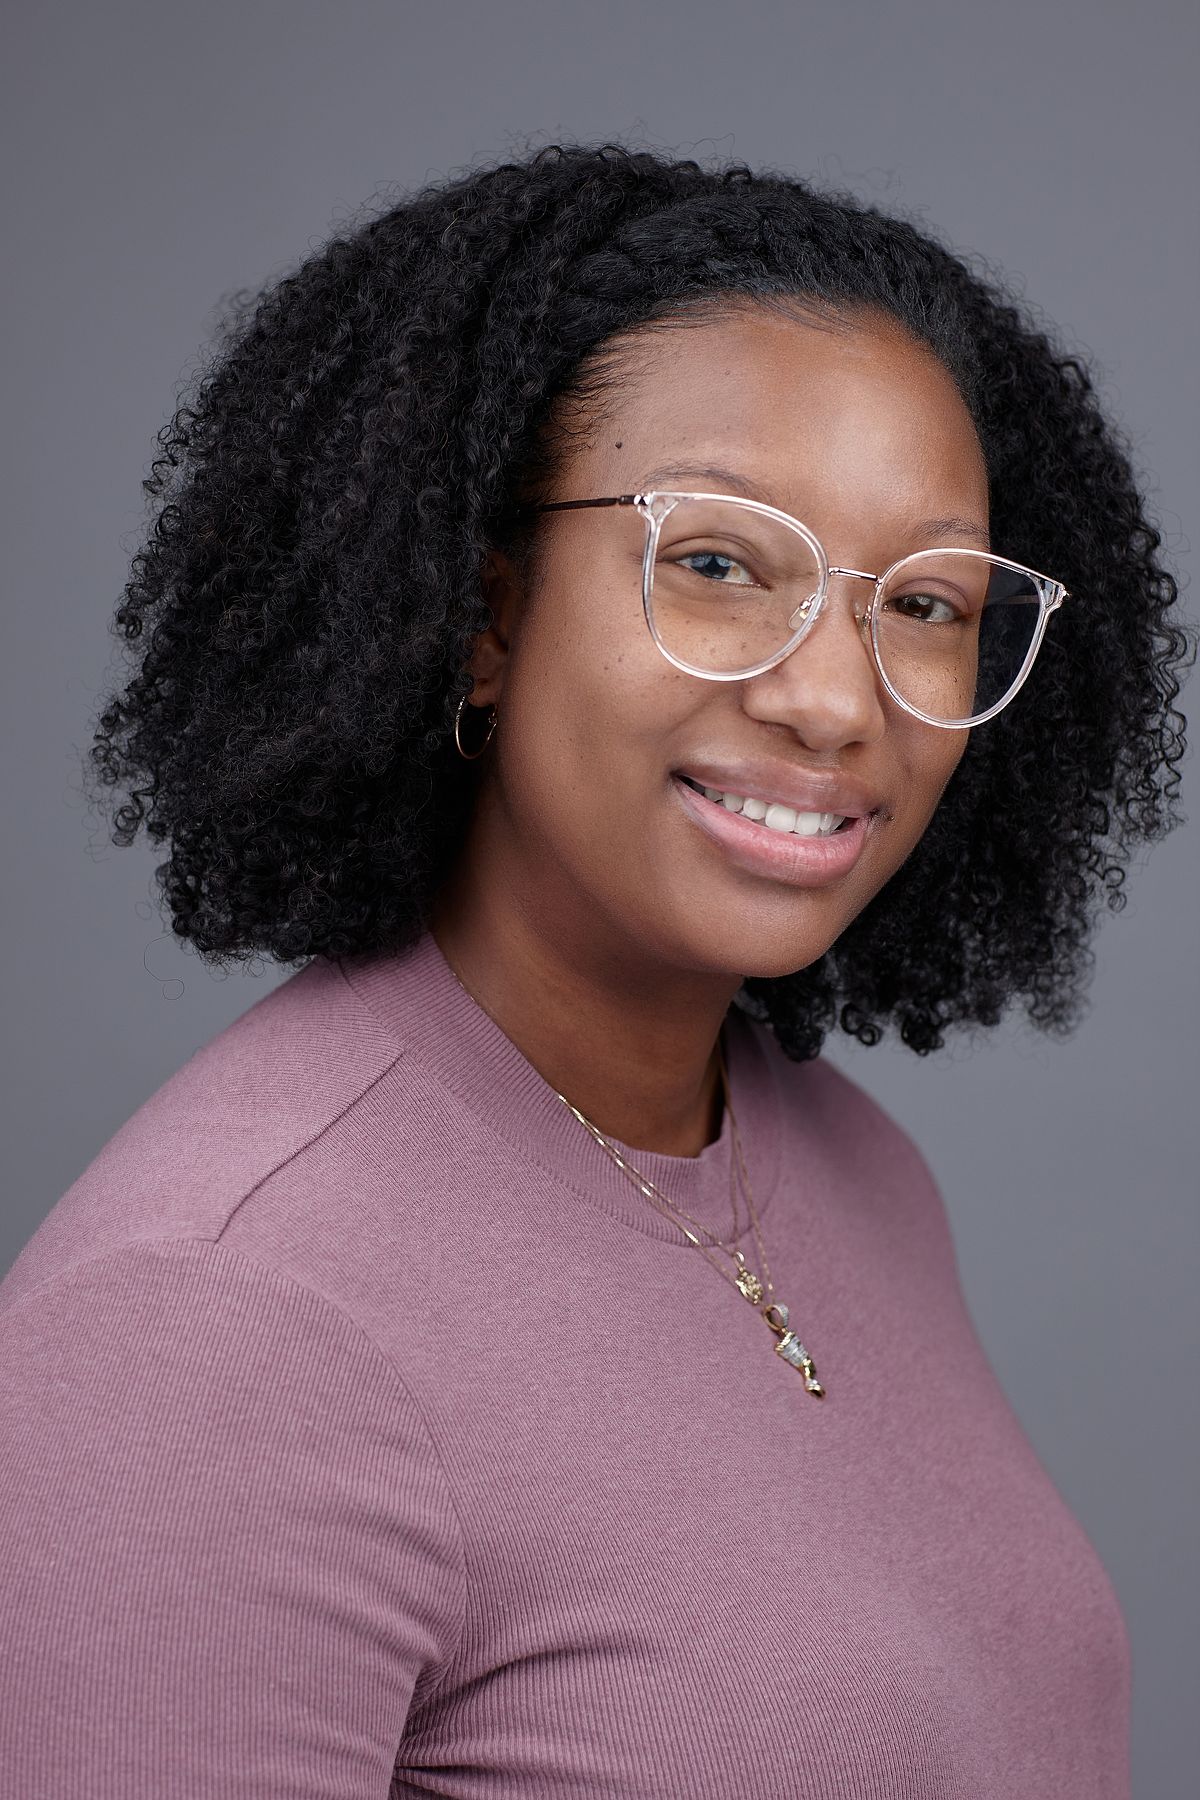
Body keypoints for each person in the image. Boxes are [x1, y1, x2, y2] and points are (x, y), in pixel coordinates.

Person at [0, 143, 1189, 1799]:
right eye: (719, 564)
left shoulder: (853, 1170)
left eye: (925, 602)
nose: (838, 701)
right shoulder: (214, 1313)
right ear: (485, 612)